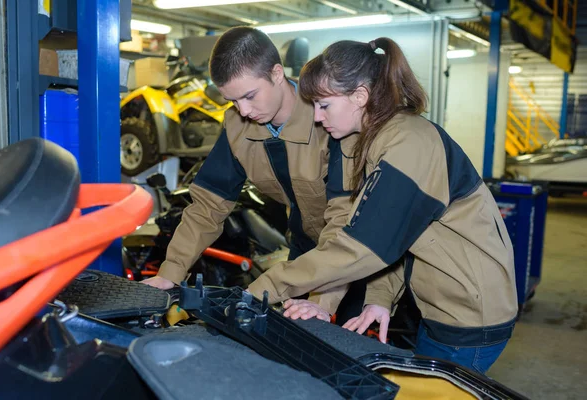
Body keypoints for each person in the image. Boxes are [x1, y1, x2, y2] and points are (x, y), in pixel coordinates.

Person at [247, 37, 518, 374]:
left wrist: (260, 290)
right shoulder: (370, 138)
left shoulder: (409, 144)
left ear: (360, 96)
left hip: (469, 320)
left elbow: (361, 248)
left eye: (324, 105)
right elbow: (384, 234)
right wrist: (373, 299)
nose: (317, 117)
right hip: (441, 308)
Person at [141, 26, 355, 317]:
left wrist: (321, 303)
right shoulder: (237, 126)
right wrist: (172, 272)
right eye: (233, 101)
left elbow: (346, 217)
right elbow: (208, 205)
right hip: (304, 250)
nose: (242, 110)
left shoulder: (330, 120)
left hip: (356, 253)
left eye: (250, 96)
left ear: (277, 74)